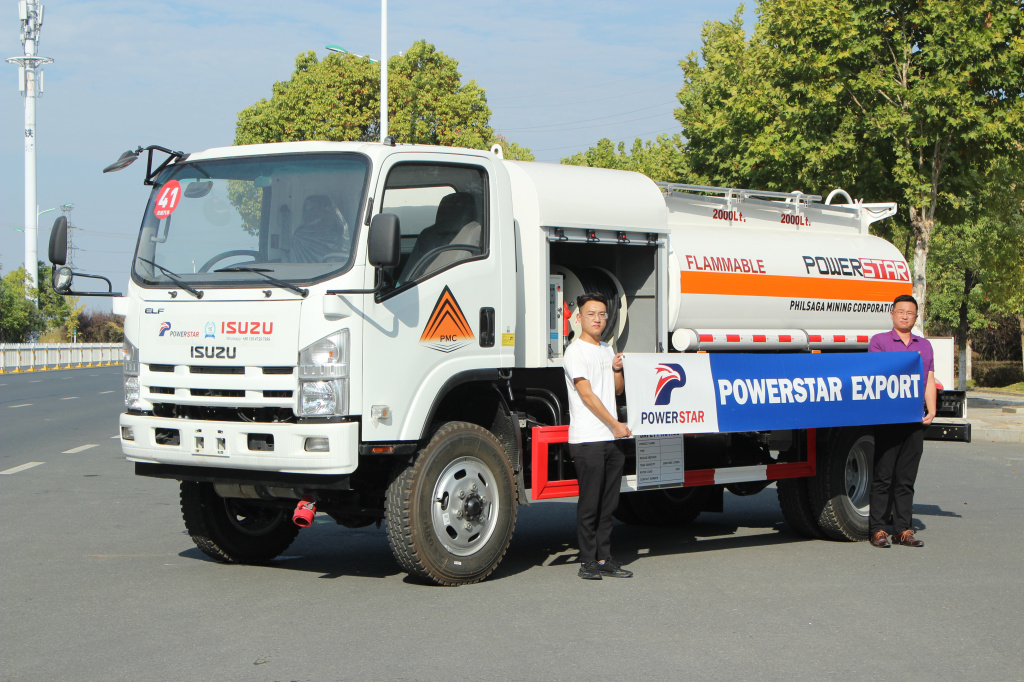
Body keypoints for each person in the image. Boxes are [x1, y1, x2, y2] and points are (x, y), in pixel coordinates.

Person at [562, 292, 633, 579]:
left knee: (609, 503)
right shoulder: (575, 352)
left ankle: (604, 558)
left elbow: (616, 390)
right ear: (579, 318)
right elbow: (587, 396)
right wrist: (615, 424)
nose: (598, 319)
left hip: (610, 439)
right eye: (591, 314)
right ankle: (587, 561)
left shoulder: (606, 348)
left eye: (602, 314)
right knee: (590, 503)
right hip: (587, 438)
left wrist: (617, 369)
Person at [867, 294, 936, 548]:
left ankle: (903, 529)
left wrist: (932, 408)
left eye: (910, 312)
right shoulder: (880, 342)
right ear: (892, 314)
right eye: (901, 311)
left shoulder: (924, 345)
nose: (905, 315)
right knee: (883, 475)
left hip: (914, 419)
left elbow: (928, 378)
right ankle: (877, 529)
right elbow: (877, 376)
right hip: (888, 419)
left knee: (906, 478)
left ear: (916, 317)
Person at [288, 194, 350, 263]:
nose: (309, 214)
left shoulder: (337, 234)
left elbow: (343, 259)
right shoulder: (300, 235)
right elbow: (294, 262)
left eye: (313, 210)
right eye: (307, 210)